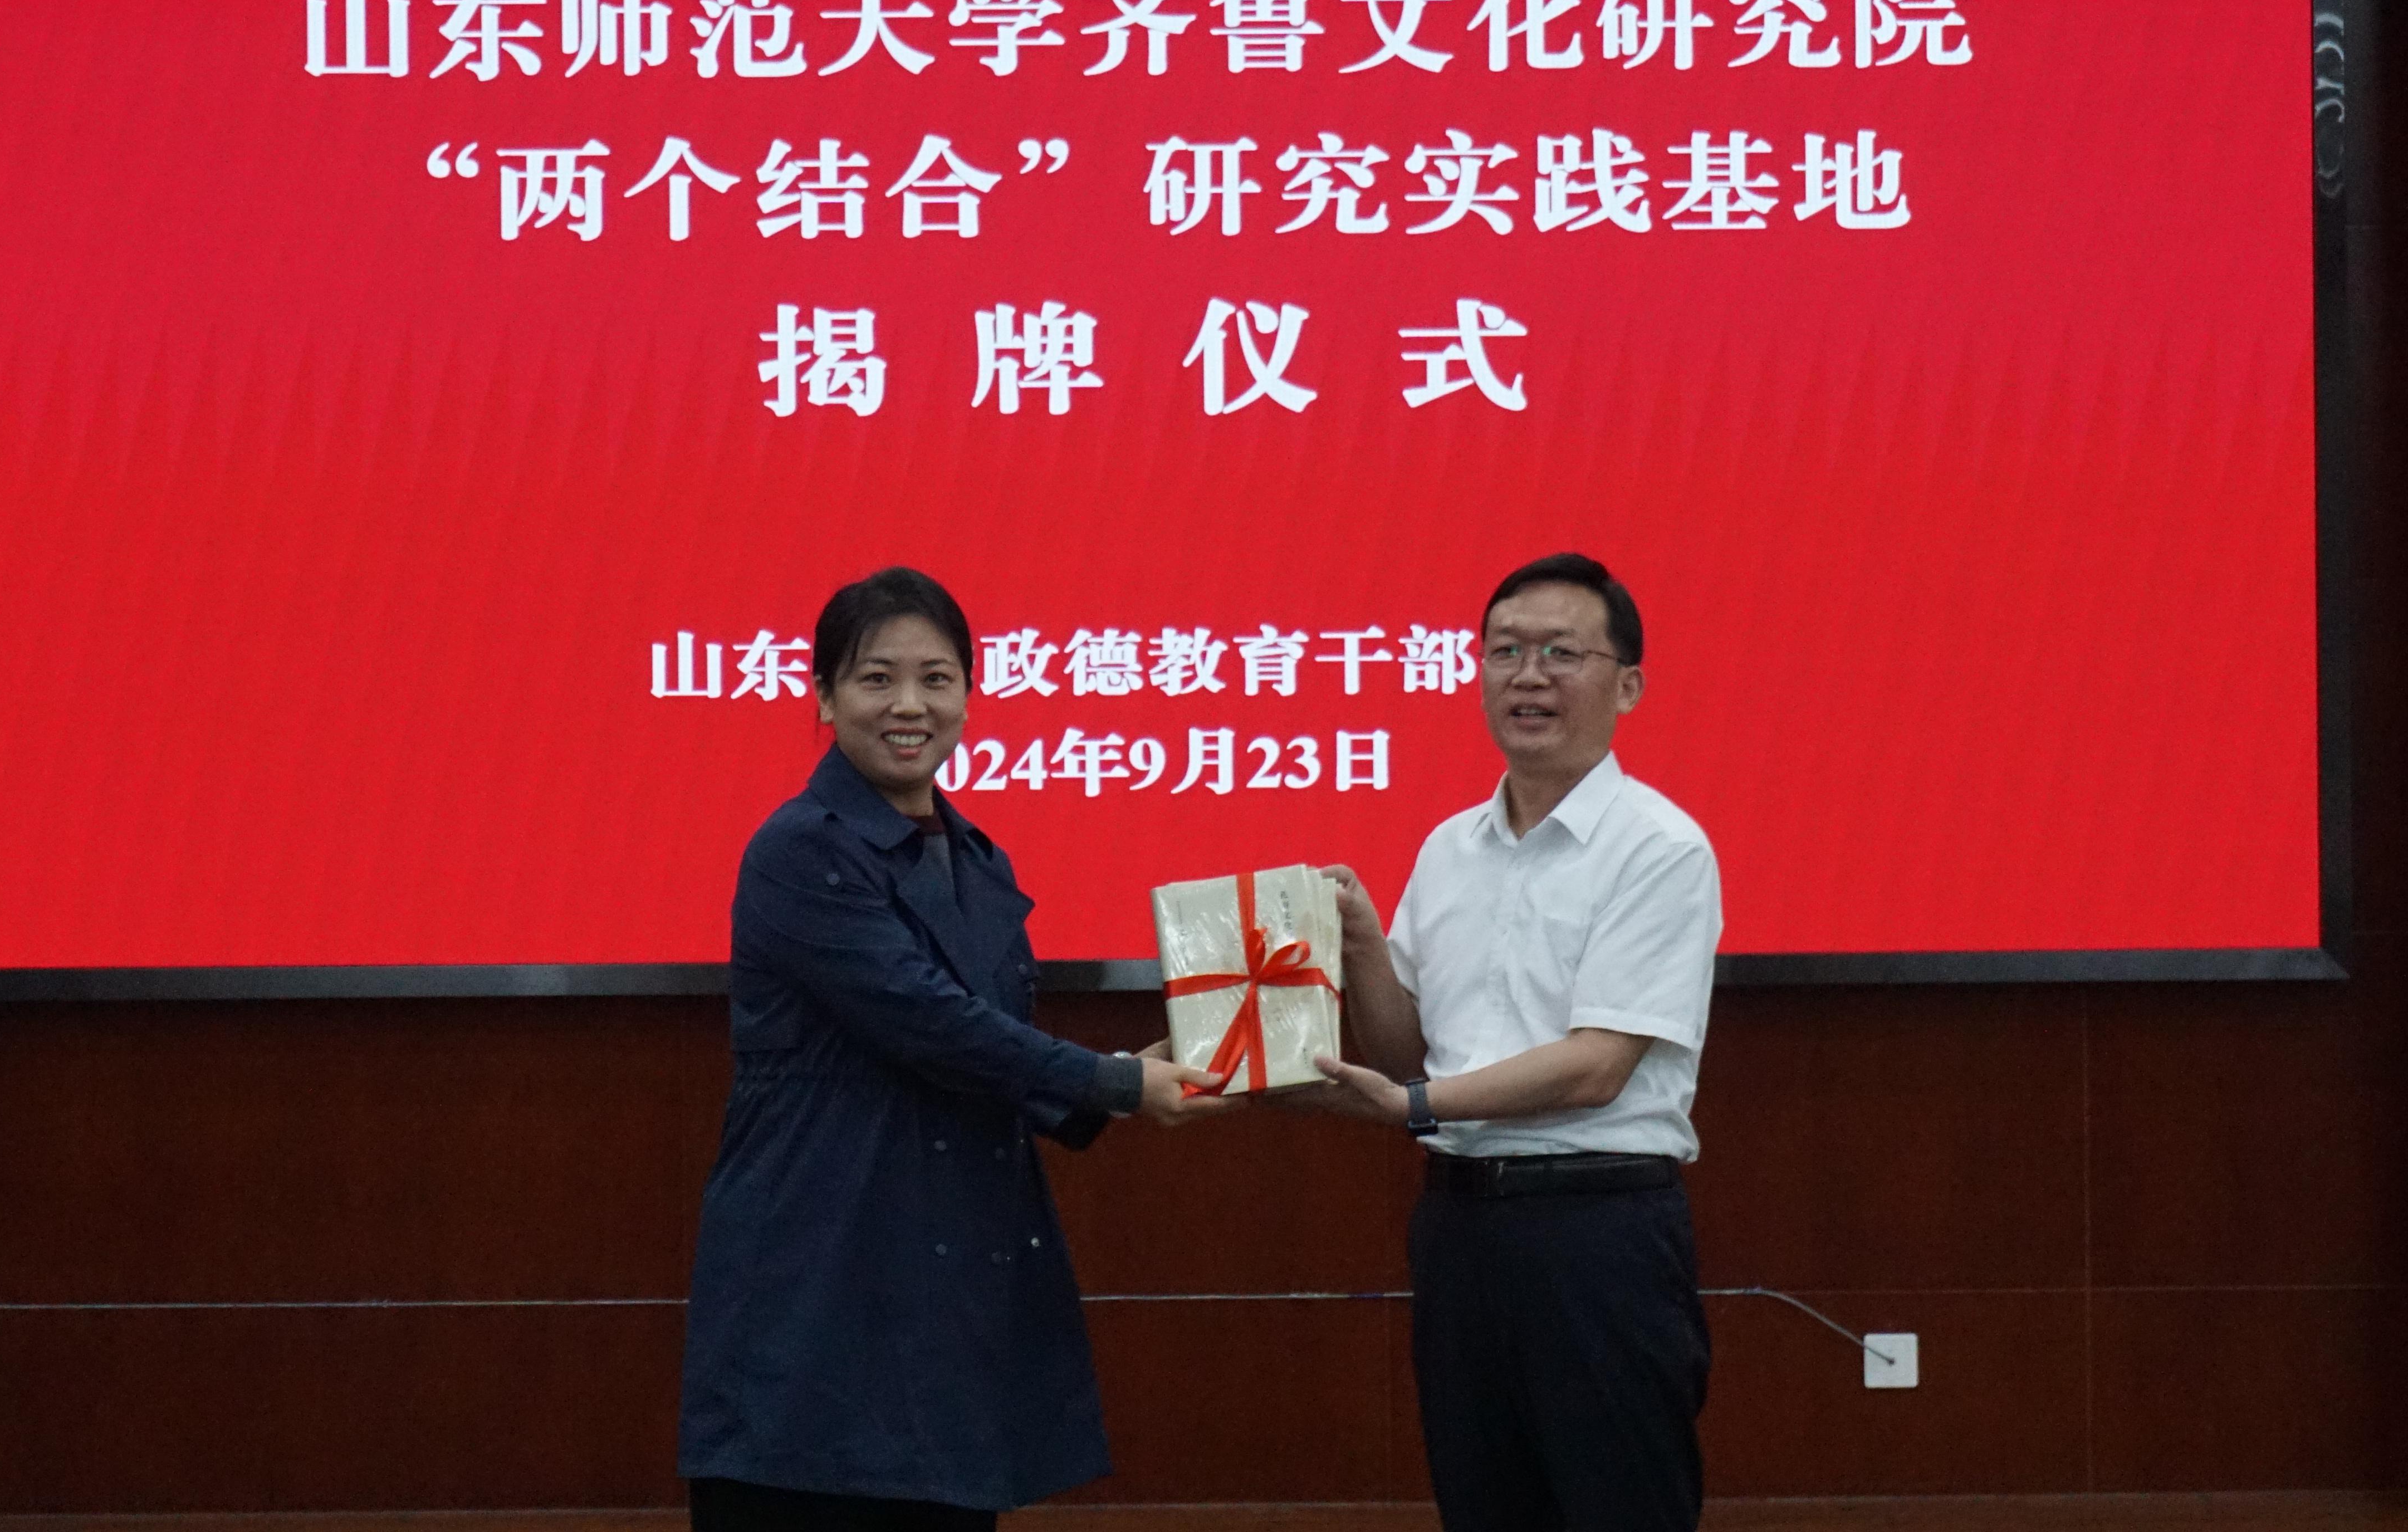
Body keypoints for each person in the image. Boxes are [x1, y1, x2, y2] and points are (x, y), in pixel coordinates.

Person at [678, 566, 1230, 1532]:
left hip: (946, 1296)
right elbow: (931, 1022)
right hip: (821, 1280)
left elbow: (992, 1047)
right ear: (824, 697)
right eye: (877, 678)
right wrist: (1114, 1082)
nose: (910, 705)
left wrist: (1143, 1070)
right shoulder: (800, 848)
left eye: (937, 679)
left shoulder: (977, 858)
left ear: (969, 696)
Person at [1297, 552, 1724, 1531]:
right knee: (1482, 1505)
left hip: (1596, 1236)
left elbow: (1597, 1066)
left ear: (1627, 687)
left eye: (1561, 654)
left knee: (1619, 1507)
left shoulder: (1659, 847)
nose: (1528, 676)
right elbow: (1409, 1052)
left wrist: (1412, 1108)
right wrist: (1362, 946)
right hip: (1460, 1230)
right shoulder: (1449, 848)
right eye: (1505, 653)